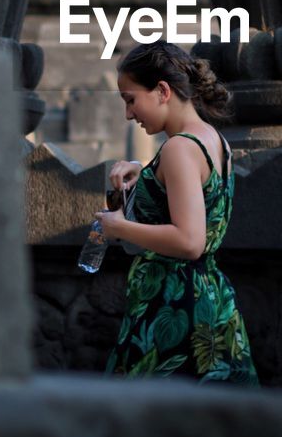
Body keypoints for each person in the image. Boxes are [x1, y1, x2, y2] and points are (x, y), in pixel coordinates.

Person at [94, 40, 258, 384]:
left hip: (174, 304)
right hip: (208, 297)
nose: (128, 114)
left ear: (162, 91)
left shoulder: (179, 149)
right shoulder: (213, 138)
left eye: (130, 100)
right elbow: (198, 195)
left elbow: (189, 240)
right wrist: (147, 174)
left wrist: (118, 227)